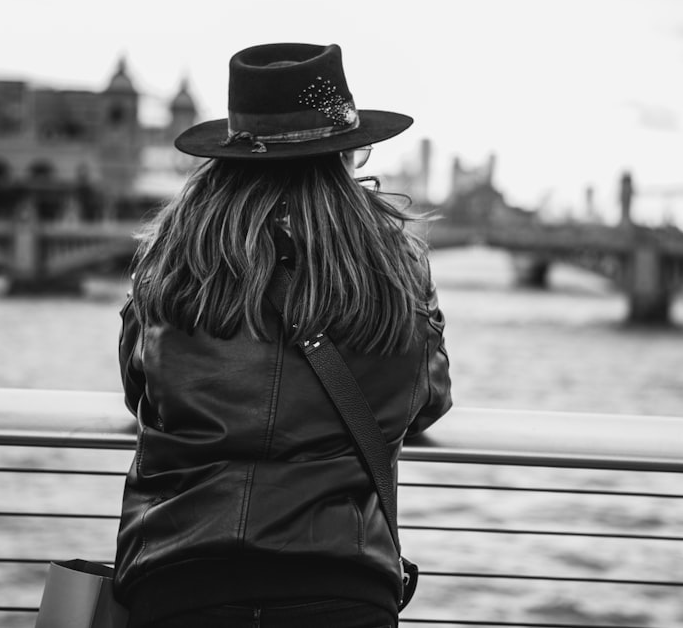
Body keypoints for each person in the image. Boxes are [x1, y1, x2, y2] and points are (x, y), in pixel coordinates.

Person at [113, 42, 453, 628]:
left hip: (180, 576)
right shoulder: (395, 264)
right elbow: (427, 402)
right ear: (346, 154)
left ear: (227, 154)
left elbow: (140, 389)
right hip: (342, 582)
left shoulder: (173, 257)